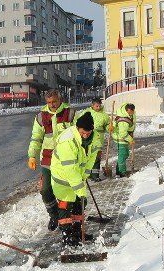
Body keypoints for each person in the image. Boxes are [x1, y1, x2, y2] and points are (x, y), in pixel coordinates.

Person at [27, 89, 73, 231]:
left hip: (66, 160)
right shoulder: (41, 117)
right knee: (46, 190)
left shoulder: (70, 114)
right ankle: (54, 216)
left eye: (54, 101)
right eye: (49, 102)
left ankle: (66, 218)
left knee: (65, 192)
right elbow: (36, 138)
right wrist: (32, 156)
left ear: (60, 100)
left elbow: (79, 134)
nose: (52, 105)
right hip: (48, 159)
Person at [51, 112, 96, 246]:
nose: (86, 135)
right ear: (77, 128)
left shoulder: (92, 138)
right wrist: (79, 188)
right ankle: (67, 237)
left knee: (80, 204)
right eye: (83, 132)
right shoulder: (68, 141)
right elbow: (70, 169)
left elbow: (91, 158)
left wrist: (84, 176)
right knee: (65, 206)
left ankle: (77, 232)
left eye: (88, 132)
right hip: (63, 179)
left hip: (77, 178)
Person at [76, 98, 109, 181]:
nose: (98, 107)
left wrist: (109, 127)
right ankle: (87, 174)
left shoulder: (104, 115)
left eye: (99, 106)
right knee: (87, 157)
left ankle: (95, 175)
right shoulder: (86, 113)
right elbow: (79, 124)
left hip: (98, 139)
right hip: (87, 139)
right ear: (92, 105)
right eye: (96, 106)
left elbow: (107, 124)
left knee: (97, 158)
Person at [111, 102, 136, 177]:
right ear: (127, 110)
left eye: (133, 112)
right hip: (120, 138)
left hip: (124, 137)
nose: (132, 113)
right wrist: (130, 140)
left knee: (125, 154)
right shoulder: (123, 121)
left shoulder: (128, 114)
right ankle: (122, 171)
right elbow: (123, 133)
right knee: (122, 155)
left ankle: (118, 171)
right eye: (131, 112)